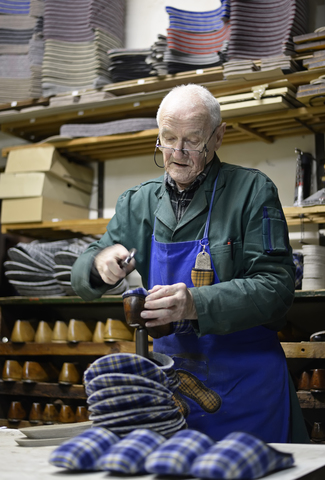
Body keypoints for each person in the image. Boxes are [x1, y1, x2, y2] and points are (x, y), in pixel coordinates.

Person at [71, 83, 309, 443]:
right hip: (173, 391)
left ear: (217, 137)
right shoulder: (138, 203)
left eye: (192, 141)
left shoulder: (252, 191)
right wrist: (99, 263)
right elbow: (82, 273)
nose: (178, 152)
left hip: (247, 390)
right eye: (168, 139)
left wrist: (195, 304)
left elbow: (277, 289)